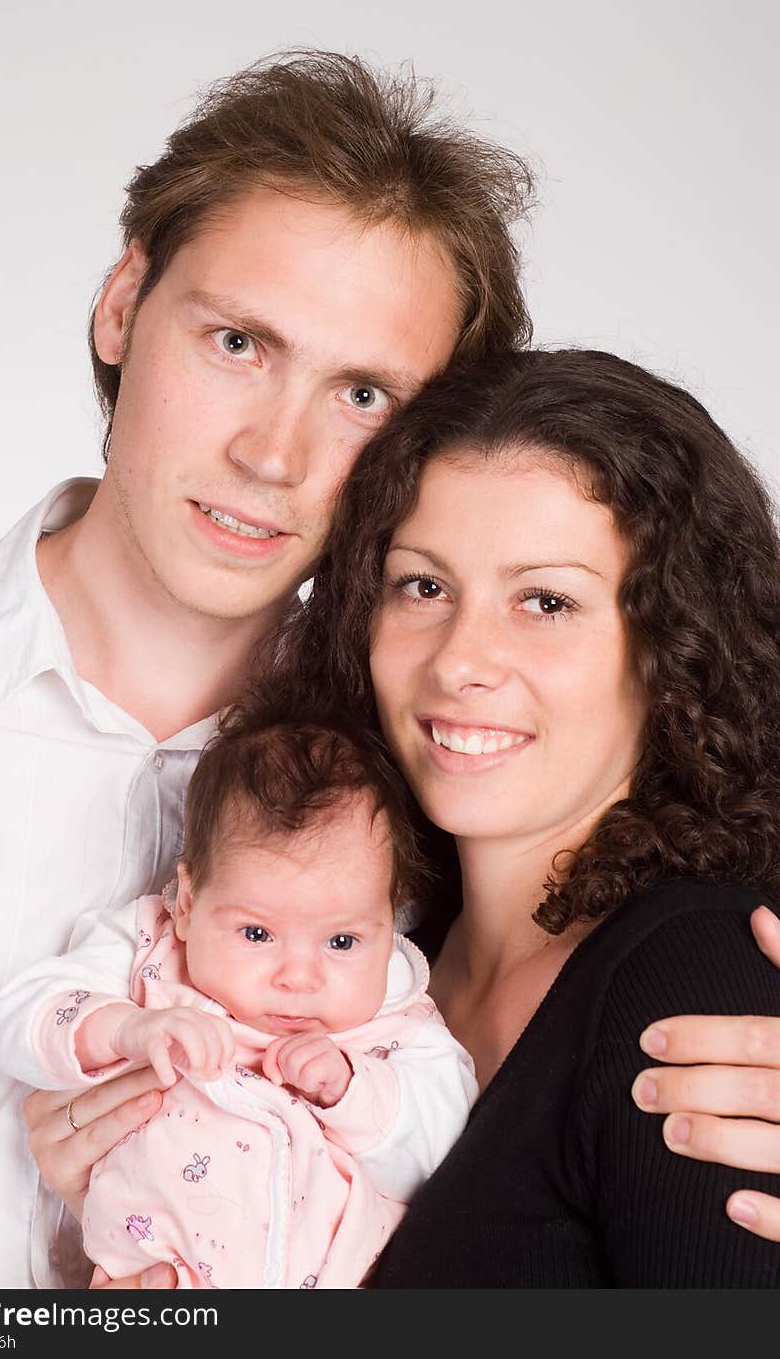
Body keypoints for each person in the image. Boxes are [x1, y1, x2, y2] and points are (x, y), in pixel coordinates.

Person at [0, 48, 777, 1291]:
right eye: (239, 342)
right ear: (121, 305)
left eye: (362, 390)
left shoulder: (424, 813)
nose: (274, 451)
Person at [244, 347, 780, 1285]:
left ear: (671, 649)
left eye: (545, 600)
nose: (461, 660)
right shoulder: (381, 950)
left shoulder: (690, 978)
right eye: (423, 586)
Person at [0, 717, 477, 1288]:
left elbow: (446, 1153)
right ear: (191, 901)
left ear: (388, 923)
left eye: (342, 942)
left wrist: (352, 1088)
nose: (299, 978)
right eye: (257, 934)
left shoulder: (393, 1018)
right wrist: (125, 1029)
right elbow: (20, 1015)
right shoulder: (151, 951)